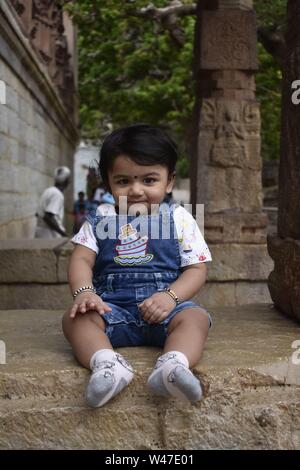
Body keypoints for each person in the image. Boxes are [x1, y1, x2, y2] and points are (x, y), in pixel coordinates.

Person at [62, 125, 212, 408]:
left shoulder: (179, 218)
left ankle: (174, 365)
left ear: (169, 182)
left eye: (149, 180)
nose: (136, 190)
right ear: (108, 183)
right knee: (75, 320)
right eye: (123, 181)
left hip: (166, 308)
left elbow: (196, 268)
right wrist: (84, 292)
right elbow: (81, 258)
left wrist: (171, 296)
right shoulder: (99, 219)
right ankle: (107, 365)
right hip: (111, 308)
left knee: (196, 318)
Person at [35, 166, 71, 238]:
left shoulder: (48, 190)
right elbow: (48, 217)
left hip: (40, 233)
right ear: (66, 181)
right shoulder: (57, 194)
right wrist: (63, 234)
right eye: (69, 179)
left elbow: (37, 213)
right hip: (49, 235)